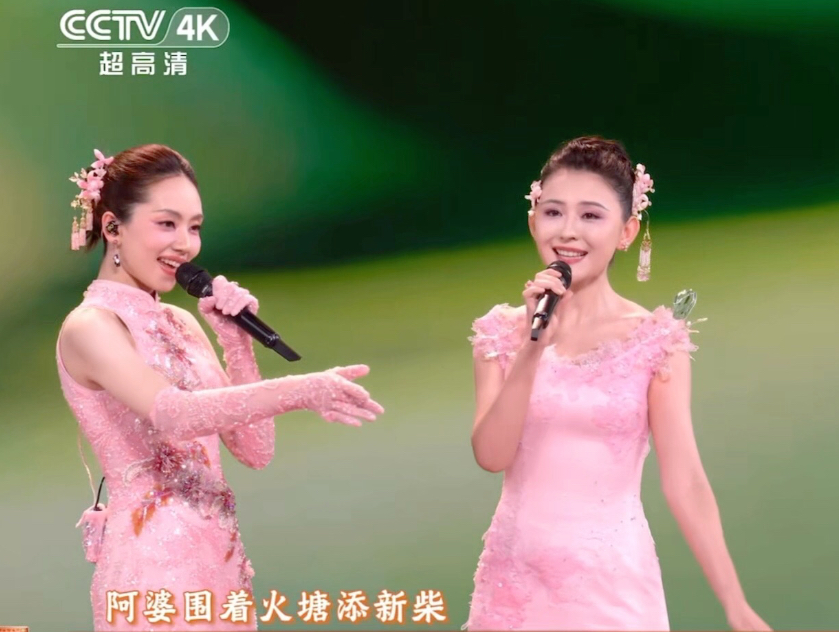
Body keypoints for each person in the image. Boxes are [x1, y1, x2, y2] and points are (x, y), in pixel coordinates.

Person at [57, 144, 384, 631]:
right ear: (112, 227)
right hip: (153, 571)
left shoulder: (181, 322)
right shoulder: (90, 327)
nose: (185, 245)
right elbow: (174, 415)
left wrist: (237, 343)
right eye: (166, 224)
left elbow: (255, 449)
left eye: (194, 227)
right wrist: (301, 390)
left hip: (220, 565)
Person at [464, 137, 770, 631]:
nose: (568, 231)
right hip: (513, 590)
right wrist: (533, 348)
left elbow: (685, 480)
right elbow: (491, 455)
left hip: (613, 591)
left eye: (591, 215)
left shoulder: (654, 341)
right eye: (553, 212)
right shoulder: (500, 333)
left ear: (626, 231)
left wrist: (735, 605)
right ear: (533, 221)